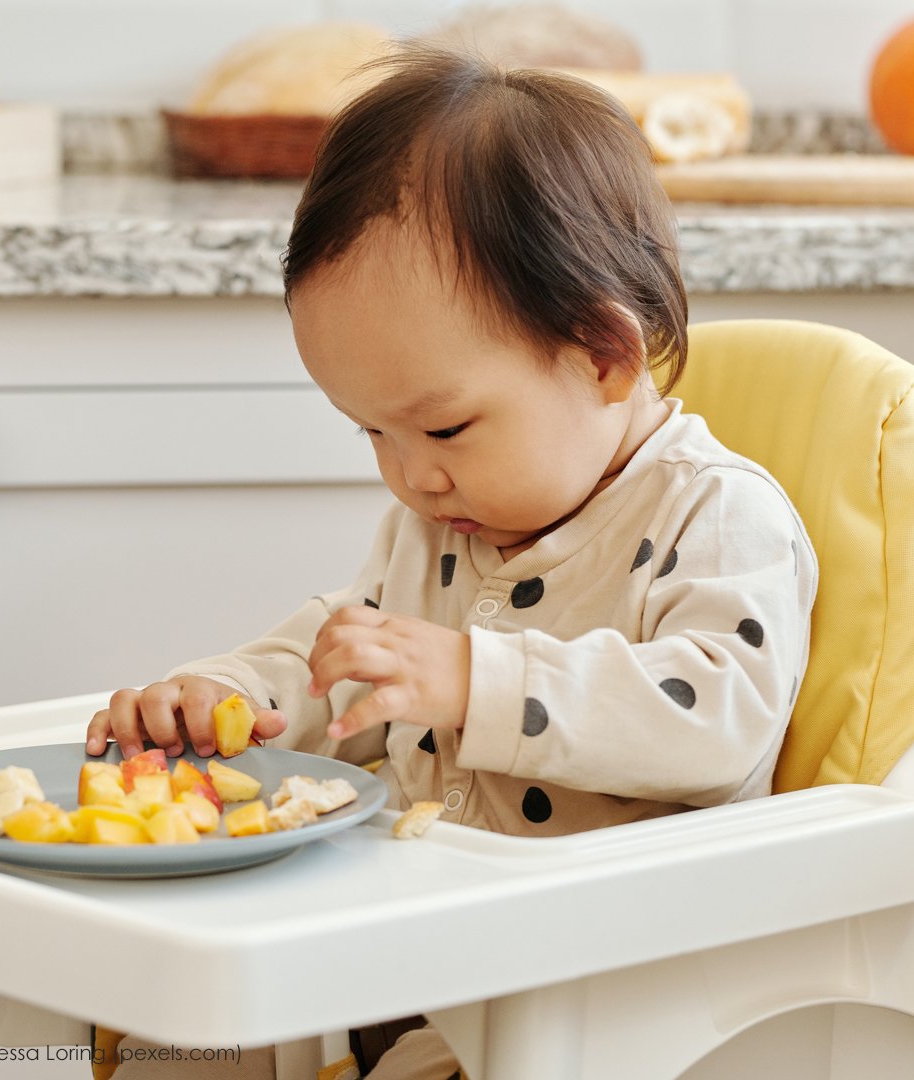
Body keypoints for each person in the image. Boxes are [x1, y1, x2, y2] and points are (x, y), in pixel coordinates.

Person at [88, 45, 817, 1080]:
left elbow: (718, 716)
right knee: (181, 1029)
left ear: (604, 356)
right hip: (417, 942)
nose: (409, 478)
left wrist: (479, 679)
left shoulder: (719, 513)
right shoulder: (452, 513)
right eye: (370, 436)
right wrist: (229, 699)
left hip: (605, 997)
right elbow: (353, 649)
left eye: (443, 428)